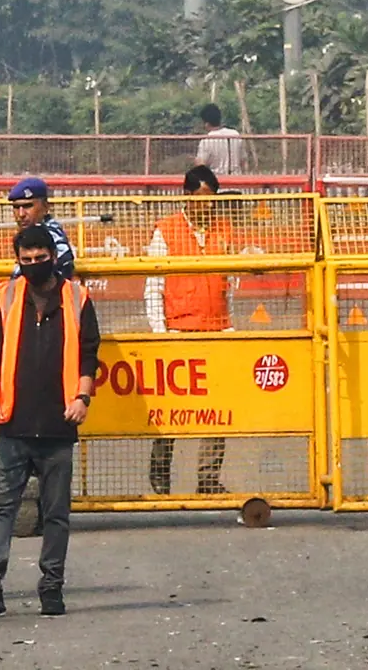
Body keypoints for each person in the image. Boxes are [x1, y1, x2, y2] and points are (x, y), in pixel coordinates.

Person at [0, 225, 101, 617]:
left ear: (53, 256)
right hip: (13, 423)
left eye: (39, 258)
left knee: (56, 513)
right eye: (25, 260)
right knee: (1, 508)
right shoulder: (5, 296)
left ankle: (52, 587)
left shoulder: (77, 297)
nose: (32, 265)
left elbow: (88, 354)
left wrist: (82, 397)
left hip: (59, 423)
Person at [145, 164, 233, 495]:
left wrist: (230, 327)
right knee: (171, 411)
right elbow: (153, 286)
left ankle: (208, 479)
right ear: (187, 196)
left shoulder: (223, 230)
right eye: (202, 198)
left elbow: (229, 285)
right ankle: (160, 472)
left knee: (220, 410)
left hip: (217, 331)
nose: (208, 204)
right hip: (178, 334)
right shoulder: (165, 231)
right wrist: (161, 332)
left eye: (212, 198)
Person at [8, 177, 75, 281]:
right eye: (16, 207)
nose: (21, 214)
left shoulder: (51, 236)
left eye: (27, 206)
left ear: (45, 207)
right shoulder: (29, 233)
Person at [194, 103, 245, 176]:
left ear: (206, 124)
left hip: (218, 181)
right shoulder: (235, 134)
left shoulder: (206, 141)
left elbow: (201, 165)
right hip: (236, 180)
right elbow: (242, 160)